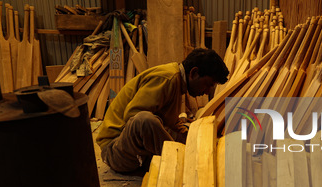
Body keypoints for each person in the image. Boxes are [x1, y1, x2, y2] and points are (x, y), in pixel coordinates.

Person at [96, 48, 229, 173]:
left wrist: (196, 140)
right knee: (144, 120)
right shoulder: (167, 78)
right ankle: (178, 163)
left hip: (133, 151)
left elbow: (172, 123)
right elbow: (134, 117)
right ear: (194, 73)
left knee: (186, 133)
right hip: (115, 151)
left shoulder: (177, 83)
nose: (206, 92)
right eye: (208, 84)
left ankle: (180, 159)